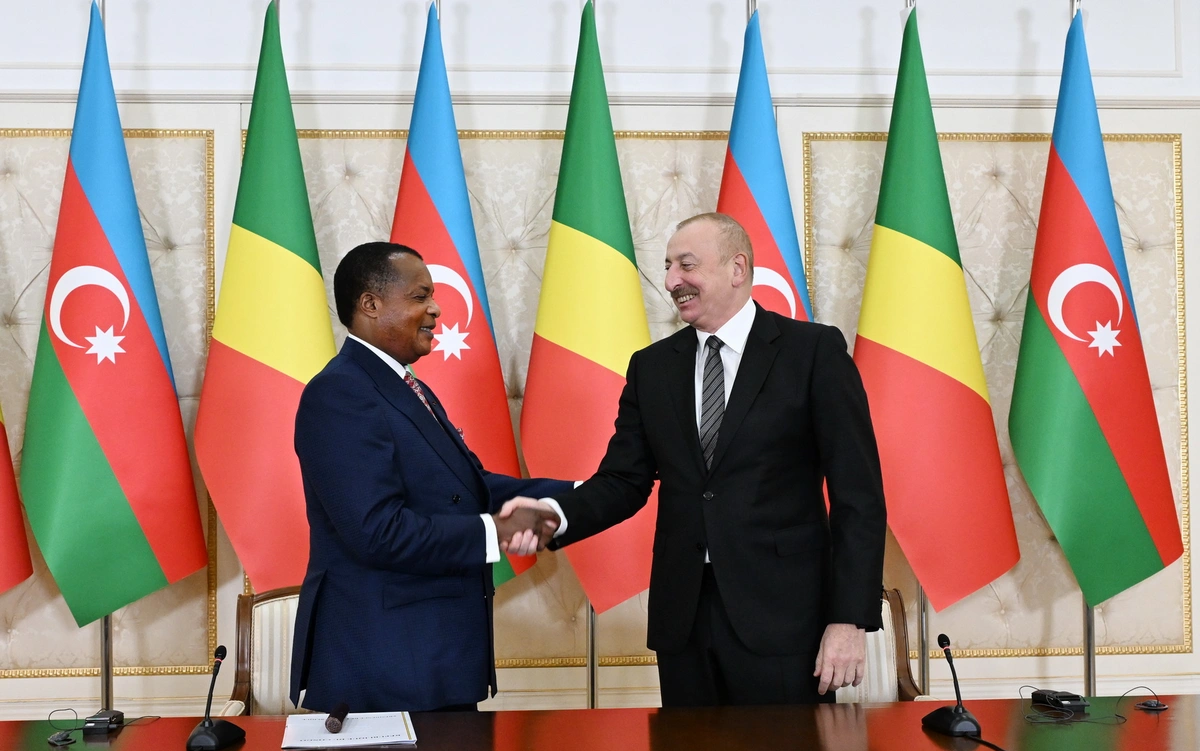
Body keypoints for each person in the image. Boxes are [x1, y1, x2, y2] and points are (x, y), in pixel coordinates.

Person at [502, 213, 887, 707]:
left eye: (686, 265)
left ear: (737, 268)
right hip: (683, 620)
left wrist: (848, 618)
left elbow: (859, 495)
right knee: (684, 749)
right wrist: (554, 514)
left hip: (784, 619)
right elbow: (623, 481)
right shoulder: (652, 367)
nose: (670, 281)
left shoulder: (812, 352)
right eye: (667, 267)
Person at [289, 241, 566, 713]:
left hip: (436, 662)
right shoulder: (339, 393)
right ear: (371, 304)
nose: (436, 309)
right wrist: (494, 532)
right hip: (384, 668)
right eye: (421, 296)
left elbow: (469, 487)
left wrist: (580, 494)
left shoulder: (406, 385)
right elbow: (377, 531)